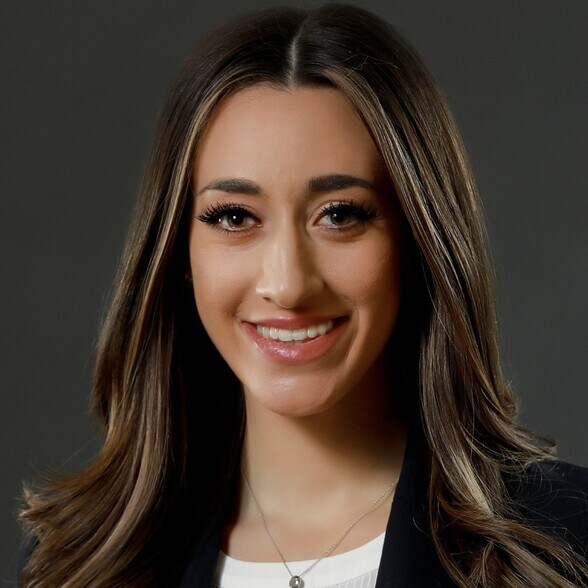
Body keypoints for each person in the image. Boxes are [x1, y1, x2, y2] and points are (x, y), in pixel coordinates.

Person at [17, 3, 588, 587]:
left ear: (418, 239)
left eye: (339, 214)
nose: (288, 284)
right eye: (235, 217)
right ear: (176, 250)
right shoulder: (75, 564)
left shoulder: (566, 543)